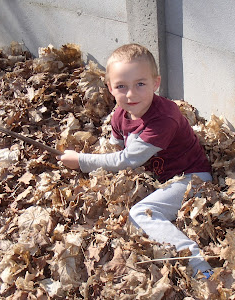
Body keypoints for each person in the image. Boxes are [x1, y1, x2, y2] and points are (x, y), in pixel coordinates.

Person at [57, 43, 213, 278]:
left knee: (140, 214)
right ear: (110, 88)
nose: (131, 94)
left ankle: (198, 266)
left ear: (156, 83)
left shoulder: (163, 119)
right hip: (160, 176)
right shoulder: (121, 113)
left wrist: (81, 160)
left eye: (140, 84)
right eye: (121, 86)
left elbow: (127, 159)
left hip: (192, 178)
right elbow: (117, 142)